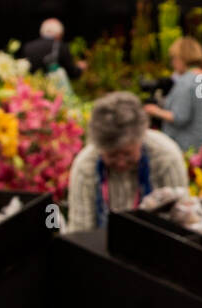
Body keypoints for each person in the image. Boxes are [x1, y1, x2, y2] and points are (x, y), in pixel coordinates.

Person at [67, 92, 188, 232]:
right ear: (99, 148)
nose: (121, 162)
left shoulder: (166, 157)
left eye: (127, 153)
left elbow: (182, 222)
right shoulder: (86, 165)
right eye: (112, 155)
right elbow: (80, 230)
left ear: (141, 138)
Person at [144, 37, 202, 152]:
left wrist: (154, 110)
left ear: (182, 58)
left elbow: (180, 117)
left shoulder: (186, 81)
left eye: (174, 58)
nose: (173, 63)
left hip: (185, 148)